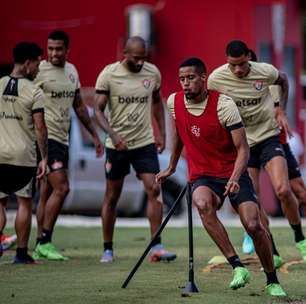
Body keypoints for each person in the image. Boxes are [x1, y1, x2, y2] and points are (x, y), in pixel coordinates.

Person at [156, 57, 286, 296]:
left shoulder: (224, 105)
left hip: (232, 172)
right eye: (182, 79)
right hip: (203, 175)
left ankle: (272, 280)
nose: (185, 83)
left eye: (191, 78)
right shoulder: (174, 102)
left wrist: (235, 177)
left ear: (203, 78)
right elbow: (179, 137)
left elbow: (243, 149)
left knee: (254, 225)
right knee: (203, 204)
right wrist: (172, 167)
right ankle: (237, 266)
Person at [207, 40, 306, 266]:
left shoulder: (265, 71)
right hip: (243, 145)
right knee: (254, 199)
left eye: (242, 64)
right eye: (233, 65)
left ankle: (300, 238)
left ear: (248, 58)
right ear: (227, 62)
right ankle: (273, 250)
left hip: (268, 137)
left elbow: (283, 79)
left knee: (283, 189)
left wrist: (280, 108)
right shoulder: (216, 78)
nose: (238, 70)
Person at [94, 36, 176, 263]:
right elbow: (98, 111)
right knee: (112, 196)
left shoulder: (152, 73)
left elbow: (157, 102)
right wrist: (112, 135)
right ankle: (107, 249)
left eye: (144, 58)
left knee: (155, 189)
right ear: (125, 53)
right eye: (136, 58)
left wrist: (161, 133)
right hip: (116, 145)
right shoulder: (109, 74)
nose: (140, 62)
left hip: (144, 142)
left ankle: (156, 246)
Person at [32, 30, 103, 261]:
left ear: (67, 50)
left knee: (47, 192)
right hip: (45, 138)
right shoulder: (38, 71)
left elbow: (79, 106)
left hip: (63, 139)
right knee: (62, 188)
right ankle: (45, 240)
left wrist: (94, 134)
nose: (53, 53)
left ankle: (38, 245)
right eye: (50, 48)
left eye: (58, 49)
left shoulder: (71, 71)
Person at [0, 42, 48, 263]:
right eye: (37, 63)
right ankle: (20, 253)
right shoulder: (34, 91)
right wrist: (44, 158)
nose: (38, 68)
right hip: (23, 158)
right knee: (24, 203)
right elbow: (40, 128)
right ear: (28, 63)